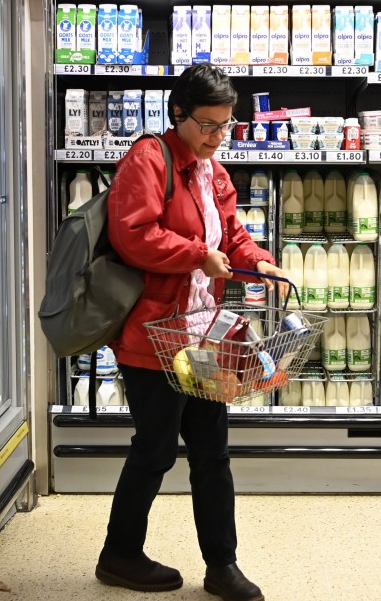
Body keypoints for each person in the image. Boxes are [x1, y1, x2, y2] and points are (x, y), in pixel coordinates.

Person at [96, 63, 285, 601]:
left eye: (225, 126)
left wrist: (259, 262)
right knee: (154, 449)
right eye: (207, 125)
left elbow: (233, 234)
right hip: (152, 334)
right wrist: (196, 257)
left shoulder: (214, 172)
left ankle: (222, 566)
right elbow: (133, 235)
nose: (216, 136)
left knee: (212, 451)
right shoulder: (148, 158)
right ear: (177, 113)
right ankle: (119, 555)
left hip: (202, 333)